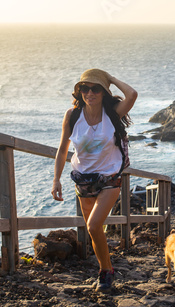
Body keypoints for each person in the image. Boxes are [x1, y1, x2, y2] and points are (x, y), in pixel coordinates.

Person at [51, 68, 137, 293]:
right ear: (79, 92)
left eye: (95, 89)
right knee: (94, 231)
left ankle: (105, 273)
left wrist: (110, 78)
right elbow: (62, 150)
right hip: (82, 179)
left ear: (103, 92)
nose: (89, 93)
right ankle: (106, 269)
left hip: (109, 178)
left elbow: (132, 95)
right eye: (85, 88)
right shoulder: (72, 116)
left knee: (93, 225)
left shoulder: (113, 114)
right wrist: (56, 180)